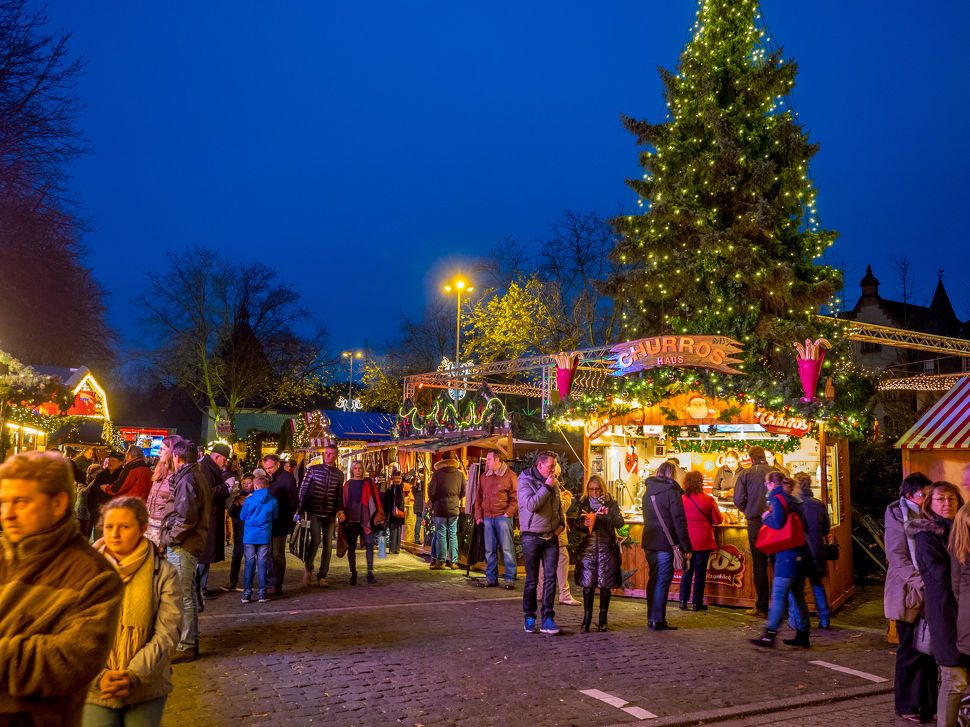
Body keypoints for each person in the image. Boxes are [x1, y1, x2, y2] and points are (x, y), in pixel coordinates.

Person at [0, 450, 123, 725]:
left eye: (21, 502)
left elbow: (70, 660)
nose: (7, 514)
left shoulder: (93, 577)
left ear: (58, 503)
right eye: (3, 502)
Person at [84, 496, 181, 726]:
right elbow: (75, 632)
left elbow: (168, 631)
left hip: (146, 685)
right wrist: (101, 677)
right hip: (95, 687)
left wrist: (133, 675)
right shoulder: (85, 571)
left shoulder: (163, 573)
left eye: (124, 527)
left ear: (142, 529)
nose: (114, 534)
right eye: (109, 527)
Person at [907, 481, 967, 727]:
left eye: (951, 499)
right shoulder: (926, 536)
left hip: (964, 612)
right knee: (954, 679)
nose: (947, 504)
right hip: (946, 614)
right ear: (929, 504)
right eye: (940, 500)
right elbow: (942, 577)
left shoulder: (964, 529)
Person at [884, 472, 937, 724]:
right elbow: (897, 557)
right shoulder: (897, 517)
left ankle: (928, 704)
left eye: (929, 494)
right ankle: (907, 705)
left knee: (929, 652)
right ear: (909, 495)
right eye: (922, 495)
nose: (926, 499)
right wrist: (922, 582)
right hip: (908, 593)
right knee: (910, 651)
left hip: (930, 593)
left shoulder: (930, 516)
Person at [158, 439, 210, 663]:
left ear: (177, 458)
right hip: (188, 542)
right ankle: (190, 641)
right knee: (187, 593)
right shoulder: (194, 476)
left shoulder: (188, 479)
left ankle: (186, 644)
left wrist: (170, 538)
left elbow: (186, 517)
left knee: (184, 596)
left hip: (184, 544)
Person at [750, 472, 812, 648]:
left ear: (771, 484)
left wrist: (765, 517)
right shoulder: (795, 500)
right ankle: (803, 634)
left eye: (766, 483)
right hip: (800, 552)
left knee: (778, 595)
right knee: (798, 596)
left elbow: (777, 523)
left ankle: (769, 635)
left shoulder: (777, 499)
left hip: (787, 555)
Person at [517, 451, 566, 635]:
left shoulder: (552, 481)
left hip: (550, 536)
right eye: (551, 466)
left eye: (555, 465)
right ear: (540, 465)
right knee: (531, 580)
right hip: (531, 536)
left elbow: (558, 504)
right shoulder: (525, 480)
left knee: (550, 579)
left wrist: (561, 523)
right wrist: (546, 486)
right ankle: (529, 617)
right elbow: (531, 505)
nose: (554, 469)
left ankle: (548, 619)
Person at [641, 461, 692, 631]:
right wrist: (686, 547)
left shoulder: (647, 492)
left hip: (649, 541)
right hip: (664, 542)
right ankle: (658, 619)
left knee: (653, 578)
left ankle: (651, 617)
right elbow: (679, 521)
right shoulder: (672, 492)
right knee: (663, 580)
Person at [573, 475, 623, 632]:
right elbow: (576, 524)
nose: (594, 492)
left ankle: (603, 619)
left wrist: (603, 516)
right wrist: (584, 522)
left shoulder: (611, 503)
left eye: (597, 489)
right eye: (591, 489)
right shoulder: (584, 503)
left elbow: (619, 522)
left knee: (605, 585)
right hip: (588, 549)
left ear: (603, 489)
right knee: (587, 585)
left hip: (606, 549)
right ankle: (587, 618)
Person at [732, 445, 777, 617]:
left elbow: (738, 499)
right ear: (764, 456)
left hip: (755, 523)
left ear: (751, 458)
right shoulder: (776, 472)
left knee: (759, 564)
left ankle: (762, 607)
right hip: (775, 522)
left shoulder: (745, 474)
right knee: (777, 563)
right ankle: (783, 607)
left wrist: (748, 510)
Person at [298, 443, 344, 587]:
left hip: (329, 513)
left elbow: (339, 495)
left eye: (331, 454)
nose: (328, 456)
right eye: (326, 453)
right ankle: (309, 567)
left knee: (328, 544)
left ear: (336, 456)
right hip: (313, 511)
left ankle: (322, 575)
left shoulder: (339, 474)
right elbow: (303, 489)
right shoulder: (313, 470)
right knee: (316, 539)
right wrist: (300, 509)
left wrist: (340, 510)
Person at [790, 473, 831, 630]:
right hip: (816, 550)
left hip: (798, 552)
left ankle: (796, 621)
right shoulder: (818, 504)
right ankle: (824, 619)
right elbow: (825, 528)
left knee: (796, 589)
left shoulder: (793, 504)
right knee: (817, 585)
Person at [475, 450, 518, 589]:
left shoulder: (510, 476)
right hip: (488, 517)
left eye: (489, 459)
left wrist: (508, 513)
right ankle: (491, 578)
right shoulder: (484, 476)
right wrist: (478, 516)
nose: (486, 461)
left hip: (502, 517)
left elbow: (516, 497)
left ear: (498, 460)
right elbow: (478, 497)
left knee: (507, 548)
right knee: (490, 550)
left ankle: (510, 578)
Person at [680, 469, 722, 611]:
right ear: (701, 483)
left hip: (687, 540)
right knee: (700, 573)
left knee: (687, 571)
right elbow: (718, 520)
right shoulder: (708, 499)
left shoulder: (682, 499)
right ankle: (697, 603)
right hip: (704, 540)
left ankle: (682, 601)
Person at [337, 460, 384, 585]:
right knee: (351, 547)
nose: (358, 470)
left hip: (365, 518)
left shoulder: (367, 483)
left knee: (369, 544)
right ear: (352, 470)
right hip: (351, 520)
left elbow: (374, 500)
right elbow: (343, 502)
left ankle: (370, 572)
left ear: (363, 470)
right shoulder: (347, 485)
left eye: (360, 468)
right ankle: (353, 573)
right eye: (356, 468)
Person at [197, 443, 231, 599]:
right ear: (218, 457)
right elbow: (208, 492)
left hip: (211, 516)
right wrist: (225, 487)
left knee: (207, 553)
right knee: (204, 554)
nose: (225, 464)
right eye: (224, 460)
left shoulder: (208, 466)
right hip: (208, 517)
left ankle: (202, 586)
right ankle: (198, 588)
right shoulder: (205, 468)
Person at [239, 472, 278, 604]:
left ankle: (247, 594)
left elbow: (242, 517)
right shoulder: (273, 500)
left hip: (250, 537)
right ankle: (262, 593)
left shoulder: (249, 500)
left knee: (249, 564)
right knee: (262, 564)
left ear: (255, 487)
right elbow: (275, 517)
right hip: (264, 536)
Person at [263, 454, 299, 595]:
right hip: (268, 522)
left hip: (281, 521)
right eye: (266, 468)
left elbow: (294, 501)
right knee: (268, 553)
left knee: (277, 553)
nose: (268, 470)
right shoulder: (268, 478)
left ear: (277, 464)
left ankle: (277, 584)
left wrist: (282, 511)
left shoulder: (287, 478)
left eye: (270, 467)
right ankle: (269, 581)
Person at [145, 435, 183, 548]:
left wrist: (170, 535)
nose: (159, 452)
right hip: (149, 528)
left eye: (163, 449)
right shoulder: (159, 473)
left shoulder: (178, 477)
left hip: (164, 531)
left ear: (172, 451)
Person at [428, 457, 464, 570]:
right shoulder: (460, 474)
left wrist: (433, 501)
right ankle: (454, 562)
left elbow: (431, 491)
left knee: (441, 535)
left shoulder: (437, 474)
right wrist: (456, 499)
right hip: (454, 508)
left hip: (440, 508)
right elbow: (463, 491)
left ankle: (441, 562)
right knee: (453, 534)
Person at [221, 472, 254, 592]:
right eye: (244, 483)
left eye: (249, 483)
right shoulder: (238, 495)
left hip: (250, 532)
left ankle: (247, 583)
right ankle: (232, 581)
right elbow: (232, 514)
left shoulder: (255, 496)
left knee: (250, 559)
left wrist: (248, 504)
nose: (246, 485)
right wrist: (236, 504)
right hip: (239, 532)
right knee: (236, 557)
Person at [88, 451, 126, 540]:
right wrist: (93, 511)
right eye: (109, 460)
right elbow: (92, 494)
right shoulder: (101, 475)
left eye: (113, 461)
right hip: (99, 514)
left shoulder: (122, 477)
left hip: (115, 516)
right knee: (98, 541)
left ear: (121, 463)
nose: (110, 463)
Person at [382, 468, 405, 555]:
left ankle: (394, 548)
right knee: (395, 530)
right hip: (395, 512)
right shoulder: (395, 488)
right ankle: (394, 548)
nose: (397, 480)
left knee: (396, 530)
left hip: (396, 512)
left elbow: (388, 500)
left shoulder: (396, 488)